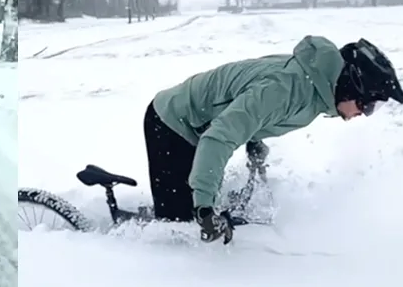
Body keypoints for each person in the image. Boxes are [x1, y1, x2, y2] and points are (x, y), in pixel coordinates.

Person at [145, 35, 403, 243]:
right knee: (178, 230)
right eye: (367, 106)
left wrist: (255, 144)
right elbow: (218, 137)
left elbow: (249, 110)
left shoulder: (313, 85)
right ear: (351, 86)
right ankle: (128, 238)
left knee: (197, 207)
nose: (364, 114)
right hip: (172, 122)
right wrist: (203, 207)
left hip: (199, 127)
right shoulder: (286, 89)